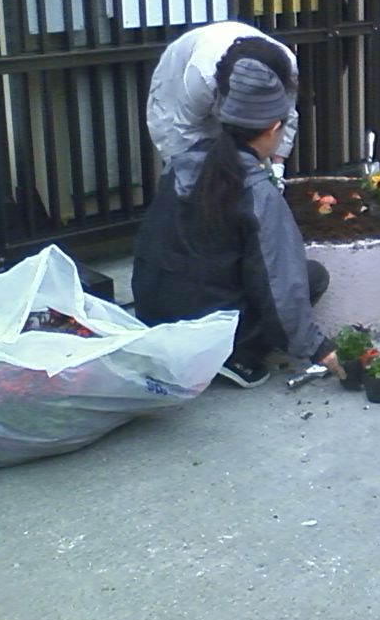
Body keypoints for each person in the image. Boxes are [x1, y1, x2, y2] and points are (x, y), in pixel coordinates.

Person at [132, 51, 342, 388]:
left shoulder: (183, 164)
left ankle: (205, 348)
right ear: (273, 128)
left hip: (154, 318)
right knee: (311, 275)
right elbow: (280, 284)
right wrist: (318, 349)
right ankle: (235, 355)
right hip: (210, 327)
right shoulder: (257, 191)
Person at [147, 21, 299, 179]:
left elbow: (285, 116)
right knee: (193, 173)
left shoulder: (287, 64)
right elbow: (185, 129)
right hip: (179, 83)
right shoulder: (202, 75)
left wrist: (277, 166)